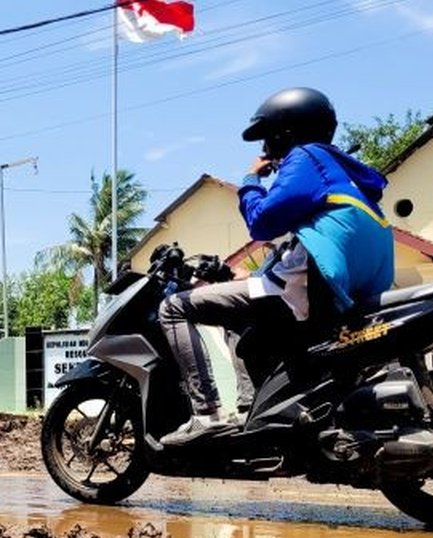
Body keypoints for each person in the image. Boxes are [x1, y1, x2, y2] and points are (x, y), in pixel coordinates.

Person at [158, 87, 394, 445]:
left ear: (286, 132)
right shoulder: (344, 174)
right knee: (242, 332)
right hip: (336, 291)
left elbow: (264, 221)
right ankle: (255, 414)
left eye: (269, 138)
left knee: (173, 308)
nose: (266, 148)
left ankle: (206, 416)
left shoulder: (306, 157)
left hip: (308, 289)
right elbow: (290, 254)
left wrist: (252, 179)